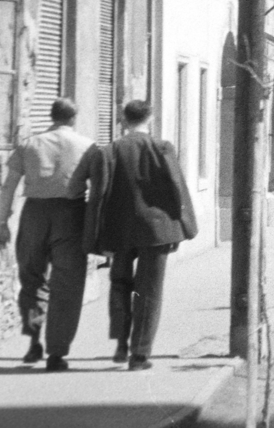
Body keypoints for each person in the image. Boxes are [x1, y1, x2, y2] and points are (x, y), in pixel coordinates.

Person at [80, 99, 197, 370]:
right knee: (150, 291)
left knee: (119, 284)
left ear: (123, 119)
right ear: (151, 118)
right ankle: (140, 354)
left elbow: (99, 194)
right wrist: (184, 225)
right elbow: (176, 187)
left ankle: (121, 344)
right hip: (157, 230)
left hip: (119, 228)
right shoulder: (163, 148)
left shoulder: (110, 151)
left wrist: (95, 233)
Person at [0, 97, 93, 372]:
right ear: (73, 118)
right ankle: (57, 353)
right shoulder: (87, 147)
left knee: (32, 278)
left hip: (34, 214)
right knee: (68, 285)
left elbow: (8, 187)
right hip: (71, 215)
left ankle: (34, 340)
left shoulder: (29, 144)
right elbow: (98, 191)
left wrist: (2, 222)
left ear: (51, 117)